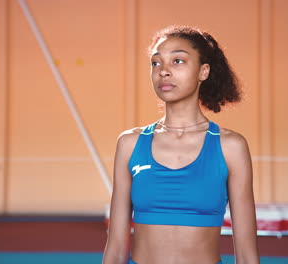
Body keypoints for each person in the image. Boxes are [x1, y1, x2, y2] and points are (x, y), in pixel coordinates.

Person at [103, 25, 259, 264]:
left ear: (203, 72)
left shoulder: (230, 146)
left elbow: (247, 255)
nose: (163, 71)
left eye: (177, 61)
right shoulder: (130, 143)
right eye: (156, 63)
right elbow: (114, 249)